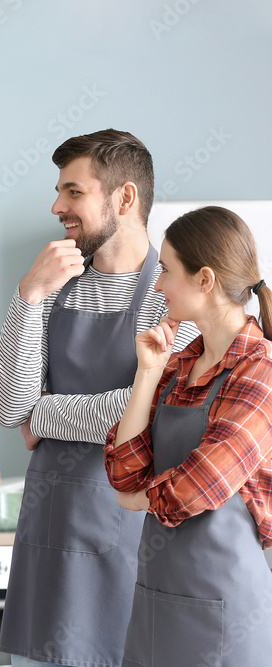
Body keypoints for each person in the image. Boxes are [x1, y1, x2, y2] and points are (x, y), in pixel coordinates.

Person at [0, 129, 198, 667]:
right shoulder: (52, 283)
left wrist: (45, 410)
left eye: (73, 192)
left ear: (125, 198)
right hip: (48, 534)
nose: (58, 207)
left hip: (131, 536)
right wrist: (29, 295)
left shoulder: (173, 294)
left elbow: (146, 411)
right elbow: (7, 407)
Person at [105, 206, 272, 666]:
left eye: (165, 270)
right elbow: (124, 475)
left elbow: (198, 486)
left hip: (225, 611)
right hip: (156, 599)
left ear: (205, 279)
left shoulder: (262, 371)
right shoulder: (176, 366)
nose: (157, 285)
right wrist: (146, 374)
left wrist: (139, 499)